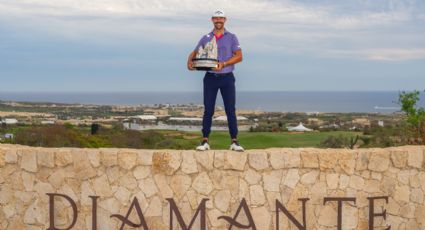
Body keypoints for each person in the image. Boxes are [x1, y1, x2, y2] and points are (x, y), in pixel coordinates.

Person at [187, 9, 244, 151]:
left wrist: (224, 64)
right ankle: (205, 141)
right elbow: (194, 52)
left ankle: (234, 142)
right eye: (216, 18)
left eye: (221, 18)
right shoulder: (205, 37)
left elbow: (239, 56)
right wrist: (189, 61)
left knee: (230, 110)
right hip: (210, 78)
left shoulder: (232, 37)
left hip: (227, 78)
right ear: (212, 19)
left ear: (225, 20)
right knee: (208, 110)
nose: (218, 21)